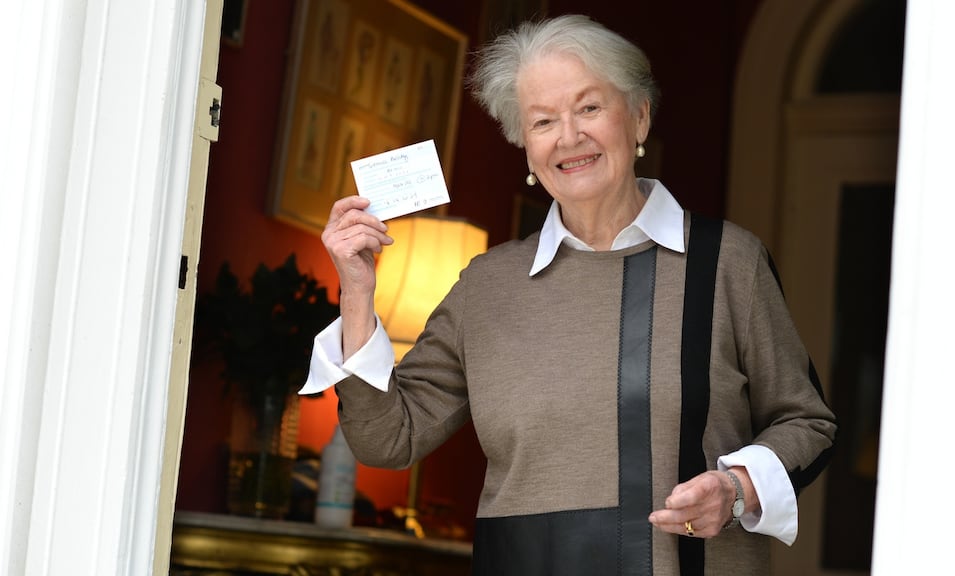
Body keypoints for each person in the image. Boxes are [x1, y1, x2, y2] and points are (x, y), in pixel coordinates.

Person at [301, 13, 837, 576]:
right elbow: (387, 439)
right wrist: (356, 292)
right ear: (525, 146)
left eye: (589, 108)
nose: (569, 136)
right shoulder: (487, 286)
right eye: (543, 121)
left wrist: (737, 488)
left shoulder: (727, 262)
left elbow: (808, 423)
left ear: (639, 117)